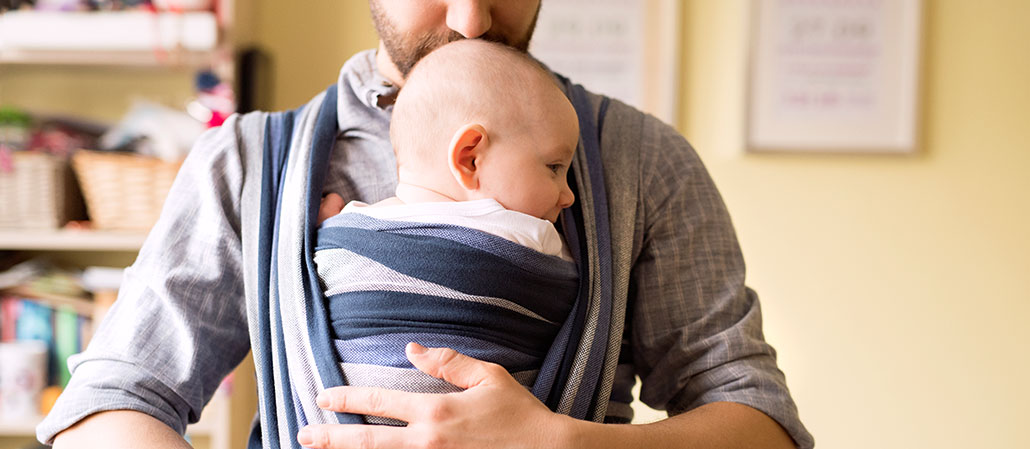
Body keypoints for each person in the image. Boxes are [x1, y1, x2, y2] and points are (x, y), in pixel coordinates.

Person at [39, 1, 814, 448]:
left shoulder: (644, 163)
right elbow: (105, 405)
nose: (472, 18)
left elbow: (764, 426)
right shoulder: (248, 164)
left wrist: (563, 444)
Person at [313, 39, 580, 425]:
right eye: (554, 167)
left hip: (348, 421)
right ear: (470, 157)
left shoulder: (351, 224)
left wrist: (326, 232)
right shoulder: (529, 236)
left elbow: (320, 274)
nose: (569, 195)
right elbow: (576, 297)